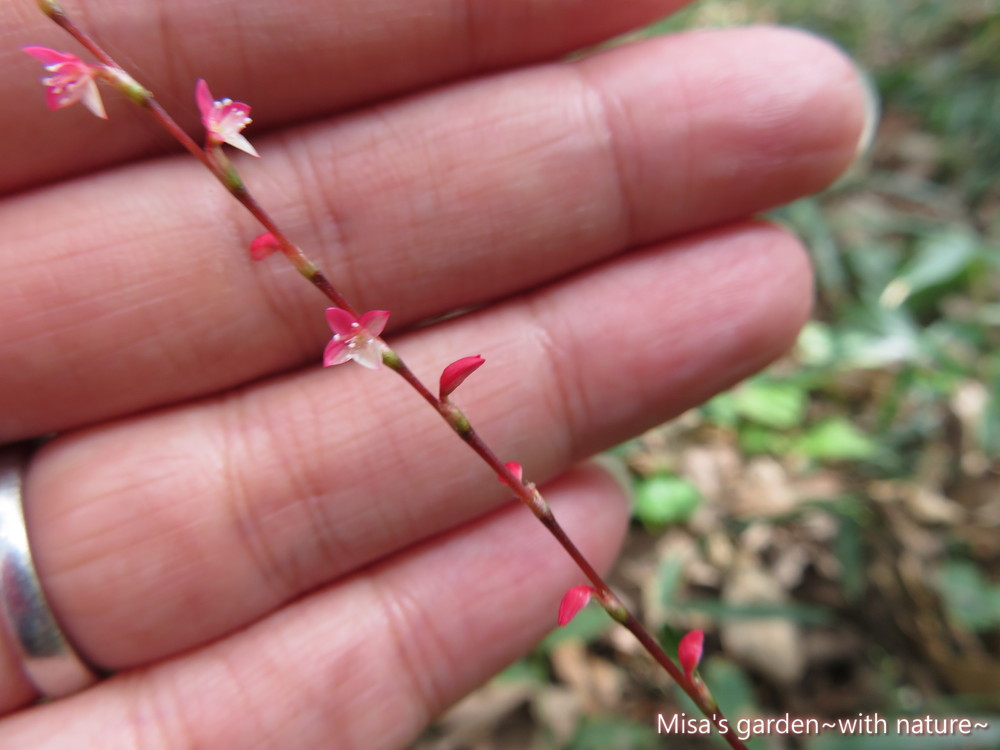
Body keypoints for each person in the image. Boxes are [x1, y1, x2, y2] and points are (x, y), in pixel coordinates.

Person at [0, 0, 872, 746]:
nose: (226, 122)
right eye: (217, 123)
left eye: (223, 122)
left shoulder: (344, 309)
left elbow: (358, 327)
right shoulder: (330, 310)